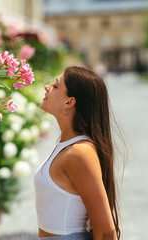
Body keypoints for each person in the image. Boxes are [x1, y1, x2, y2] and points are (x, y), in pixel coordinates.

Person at [34, 66, 122, 240]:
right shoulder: (67, 146)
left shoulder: (79, 152)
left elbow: (106, 232)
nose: (47, 87)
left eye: (56, 86)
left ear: (69, 102)